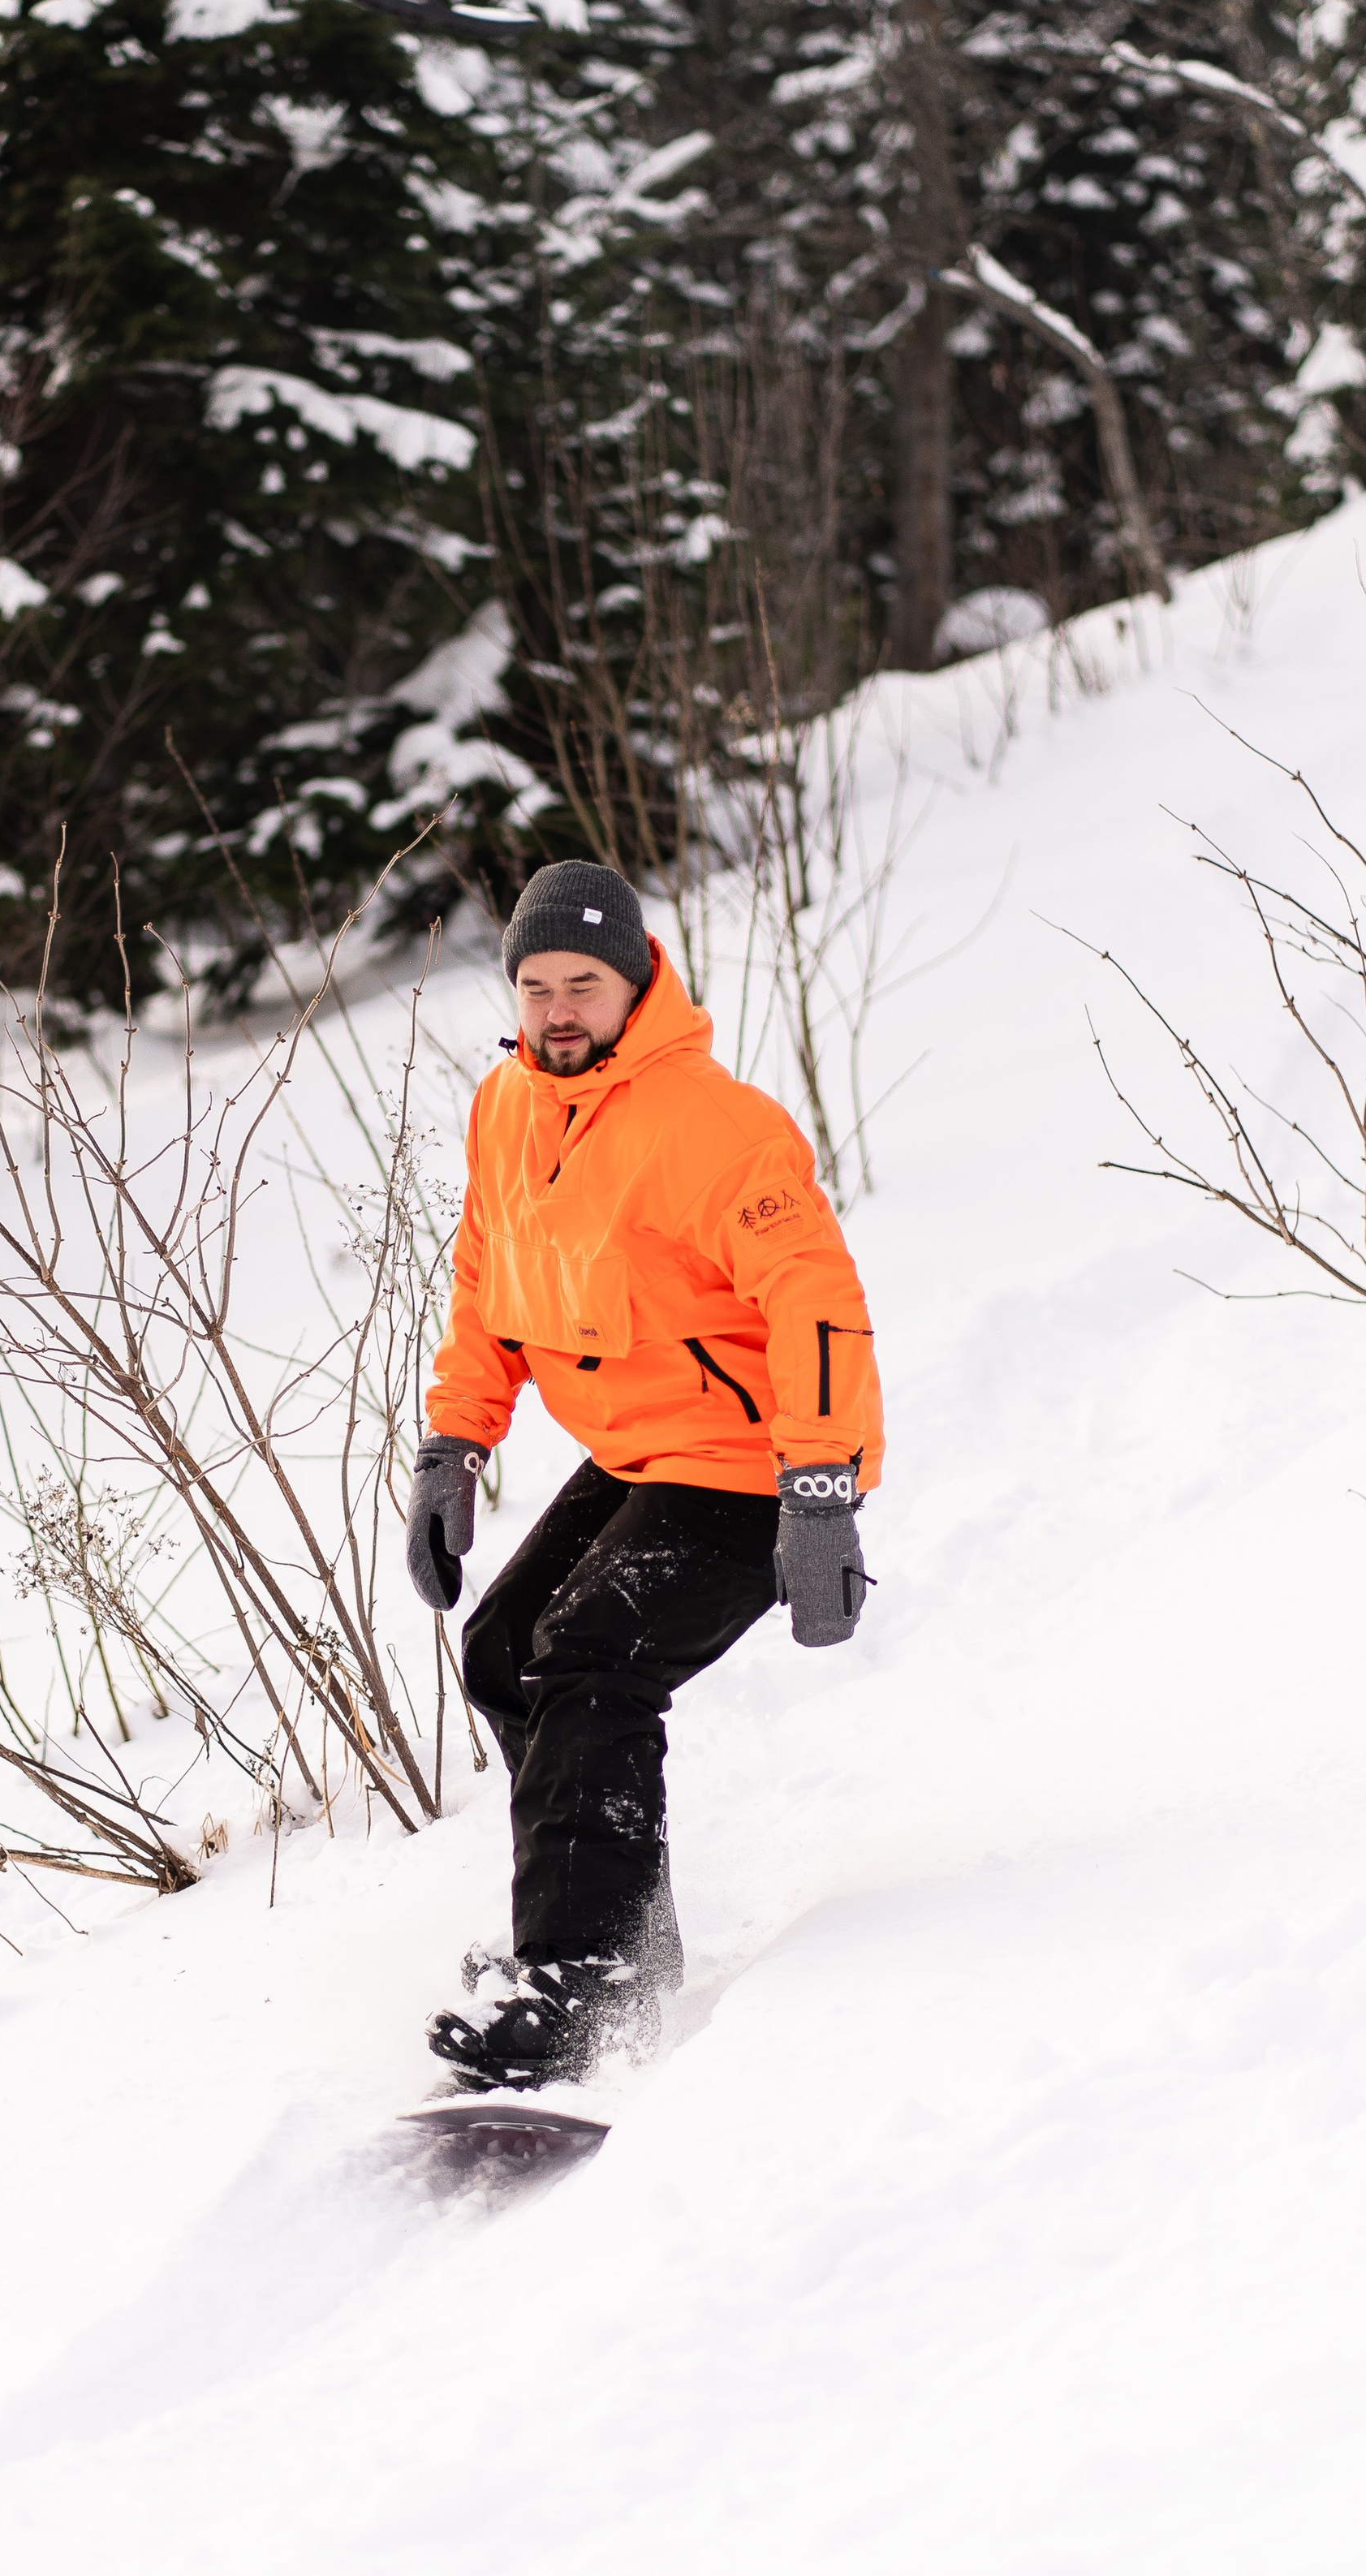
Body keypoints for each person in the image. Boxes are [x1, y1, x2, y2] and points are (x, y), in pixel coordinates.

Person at [405, 859, 884, 2089]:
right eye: (535, 985)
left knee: (591, 1656)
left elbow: (816, 1304)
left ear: (635, 987)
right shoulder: (506, 1109)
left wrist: (822, 1488)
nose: (558, 1009)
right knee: (507, 1645)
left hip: (749, 1469)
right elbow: (484, 1283)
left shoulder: (719, 1128)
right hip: (640, 1450)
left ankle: (578, 1981)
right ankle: (619, 1936)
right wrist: (456, 1442)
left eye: (584, 983)